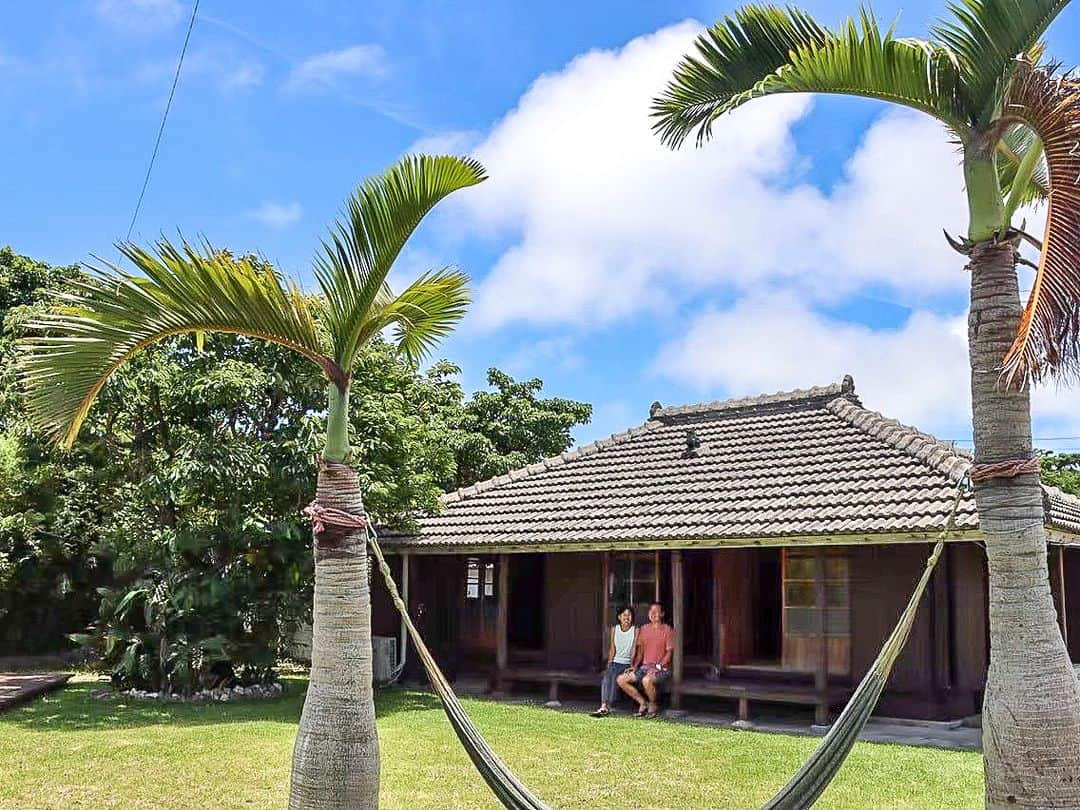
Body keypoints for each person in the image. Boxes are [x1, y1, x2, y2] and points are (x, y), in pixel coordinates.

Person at [616, 601, 674, 718]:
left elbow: (669, 653)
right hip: (644, 667)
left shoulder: (667, 630)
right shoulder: (644, 629)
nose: (653, 614)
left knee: (646, 680)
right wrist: (635, 666)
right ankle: (643, 703)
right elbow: (641, 651)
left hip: (661, 668)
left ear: (662, 614)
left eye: (656, 612)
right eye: (651, 611)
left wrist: (658, 667)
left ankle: (653, 704)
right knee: (621, 679)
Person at [590, 606, 637, 717]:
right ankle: (603, 705)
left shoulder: (635, 630)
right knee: (607, 676)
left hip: (626, 663)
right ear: (619, 617)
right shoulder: (614, 629)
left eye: (629, 615)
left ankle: (608, 705)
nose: (627, 617)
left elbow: (634, 649)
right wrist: (609, 663)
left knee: (615, 676)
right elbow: (612, 648)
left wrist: (632, 664)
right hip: (615, 661)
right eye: (624, 615)